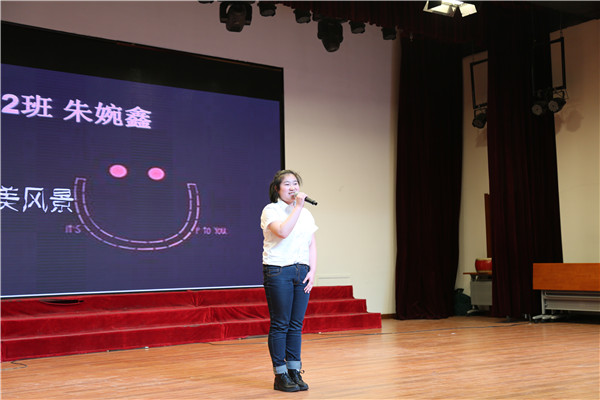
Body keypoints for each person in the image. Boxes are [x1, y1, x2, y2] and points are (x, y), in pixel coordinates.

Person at [260, 169, 318, 392]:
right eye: (287, 184)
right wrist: (298, 207)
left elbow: (311, 243)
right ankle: (280, 374)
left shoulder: (306, 214)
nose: (293, 187)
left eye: (295, 183)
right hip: (279, 270)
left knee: (296, 324)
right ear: (277, 189)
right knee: (280, 323)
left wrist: (312, 270)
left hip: (301, 270)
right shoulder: (271, 210)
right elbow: (283, 231)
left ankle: (294, 371)